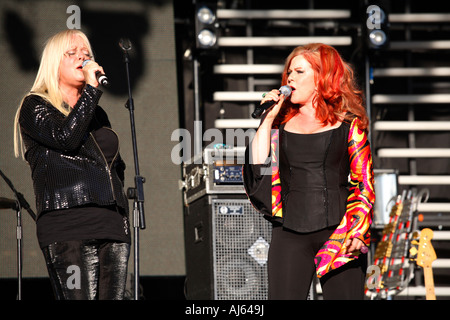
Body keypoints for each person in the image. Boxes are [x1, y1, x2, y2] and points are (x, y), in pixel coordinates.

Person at [243, 43, 375, 300]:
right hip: (289, 231)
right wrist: (268, 119)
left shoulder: (349, 125)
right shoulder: (277, 124)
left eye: (299, 72)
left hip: (340, 232)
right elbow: (259, 167)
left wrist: (359, 229)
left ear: (321, 78)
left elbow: (363, 182)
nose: (290, 78)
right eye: (289, 72)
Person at [13, 30, 131, 300]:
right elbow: (66, 138)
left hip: (110, 224)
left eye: (87, 54)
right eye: (72, 53)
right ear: (54, 62)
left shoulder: (97, 112)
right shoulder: (35, 106)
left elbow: (115, 165)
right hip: (68, 225)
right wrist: (91, 91)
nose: (83, 58)